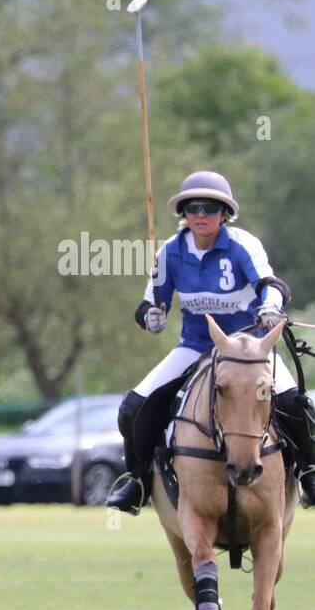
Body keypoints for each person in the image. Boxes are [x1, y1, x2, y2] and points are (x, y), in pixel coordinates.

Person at [105, 170, 315, 513]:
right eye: (193, 208)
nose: (200, 215)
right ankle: (138, 481)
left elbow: (272, 284)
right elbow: (148, 305)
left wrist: (270, 307)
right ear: (183, 214)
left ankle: (309, 472)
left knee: (294, 403)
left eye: (210, 208)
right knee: (132, 408)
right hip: (196, 346)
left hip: (251, 348)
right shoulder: (169, 252)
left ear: (225, 214)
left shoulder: (242, 245)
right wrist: (151, 318)